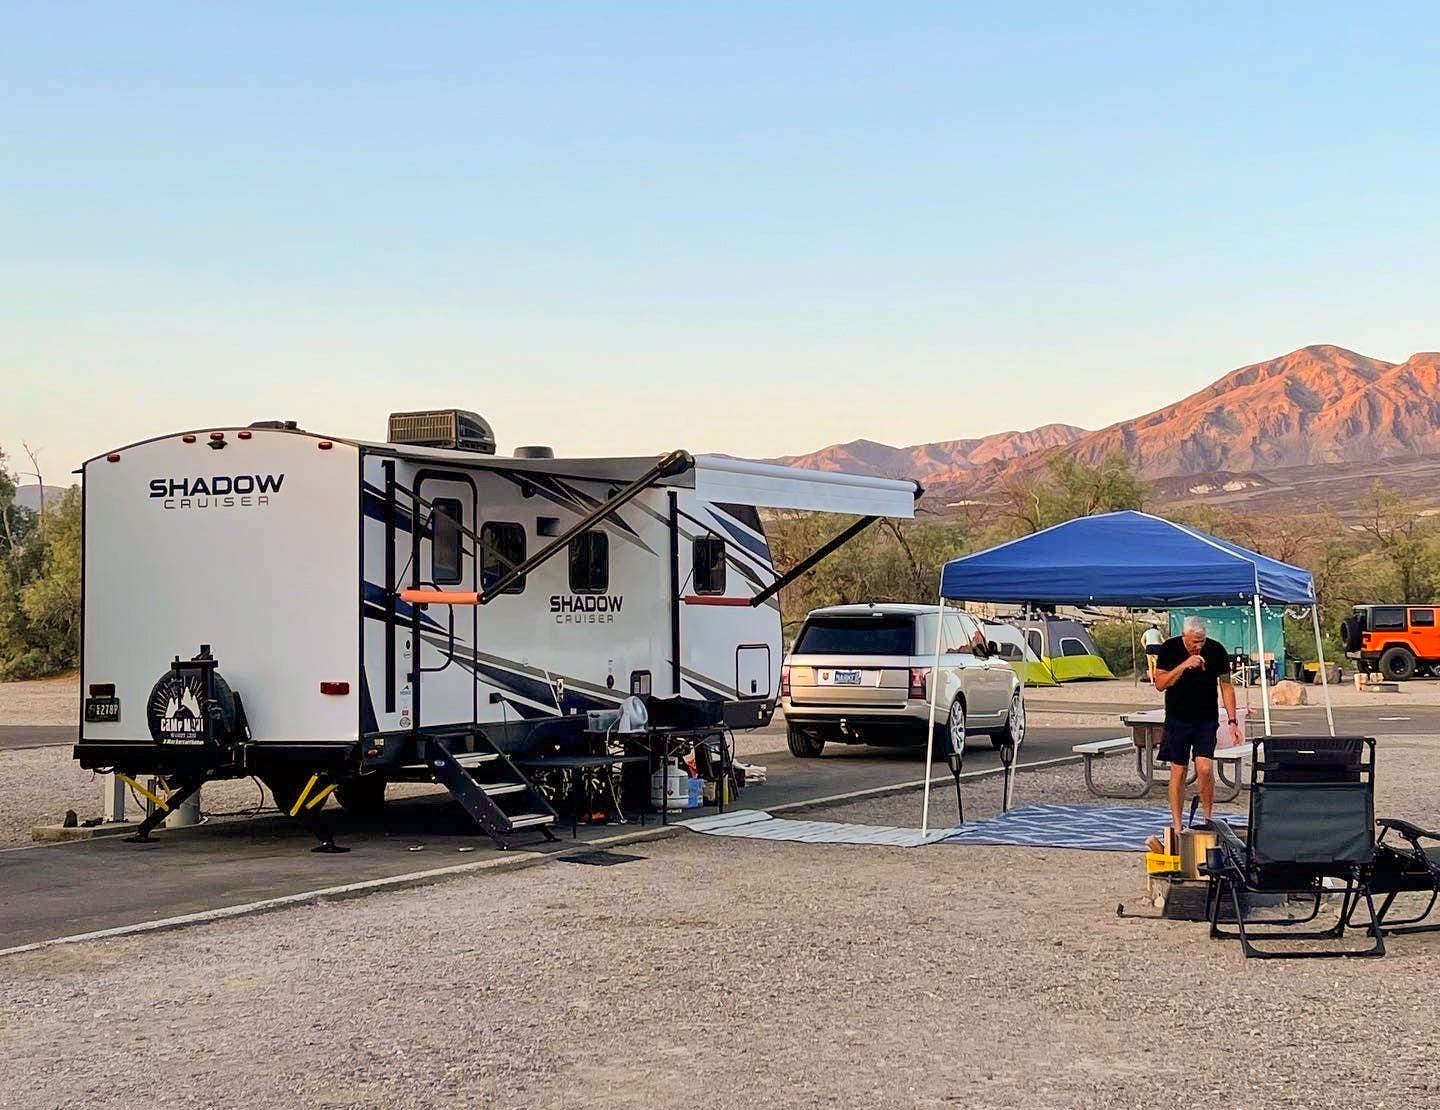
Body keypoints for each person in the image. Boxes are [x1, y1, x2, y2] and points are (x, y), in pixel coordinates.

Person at [1153, 615, 1238, 835]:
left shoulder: (1217, 650)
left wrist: (1232, 720)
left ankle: (1208, 818)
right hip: (1177, 718)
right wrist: (1184, 665)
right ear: (1184, 636)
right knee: (1178, 771)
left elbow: (1226, 686)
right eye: (1193, 642)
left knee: (1205, 768)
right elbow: (1160, 684)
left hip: (1206, 719)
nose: (1197, 646)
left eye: (1201, 641)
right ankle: (1177, 824)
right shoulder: (1169, 648)